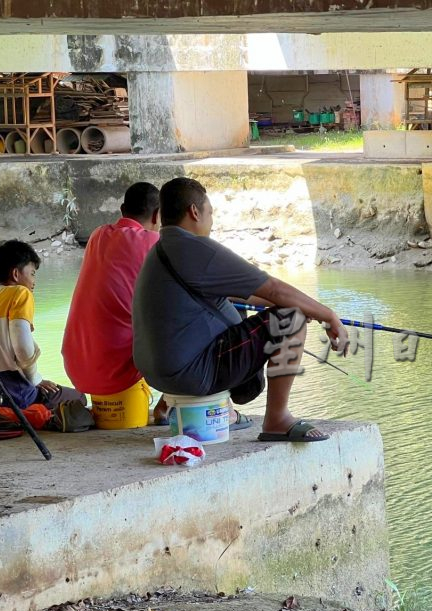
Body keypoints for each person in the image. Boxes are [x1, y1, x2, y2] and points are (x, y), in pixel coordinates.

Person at [133, 177, 349, 443]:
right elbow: (272, 288)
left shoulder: (161, 251)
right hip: (192, 372)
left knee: (276, 309)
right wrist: (328, 315)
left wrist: (304, 305)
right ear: (194, 211)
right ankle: (277, 419)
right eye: (210, 213)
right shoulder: (195, 248)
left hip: (158, 375)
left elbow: (255, 294)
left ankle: (178, 405)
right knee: (291, 319)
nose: (212, 222)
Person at [62, 182, 169, 424]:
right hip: (116, 372)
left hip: (78, 366)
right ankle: (170, 402)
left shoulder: (98, 236)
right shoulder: (153, 243)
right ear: (157, 215)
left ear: (122, 210)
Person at [0, 240, 86, 410]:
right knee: (79, 398)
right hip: (10, 391)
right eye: (32, 273)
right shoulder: (20, 293)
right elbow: (23, 348)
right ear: (15, 274)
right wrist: (36, 380)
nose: (34, 281)